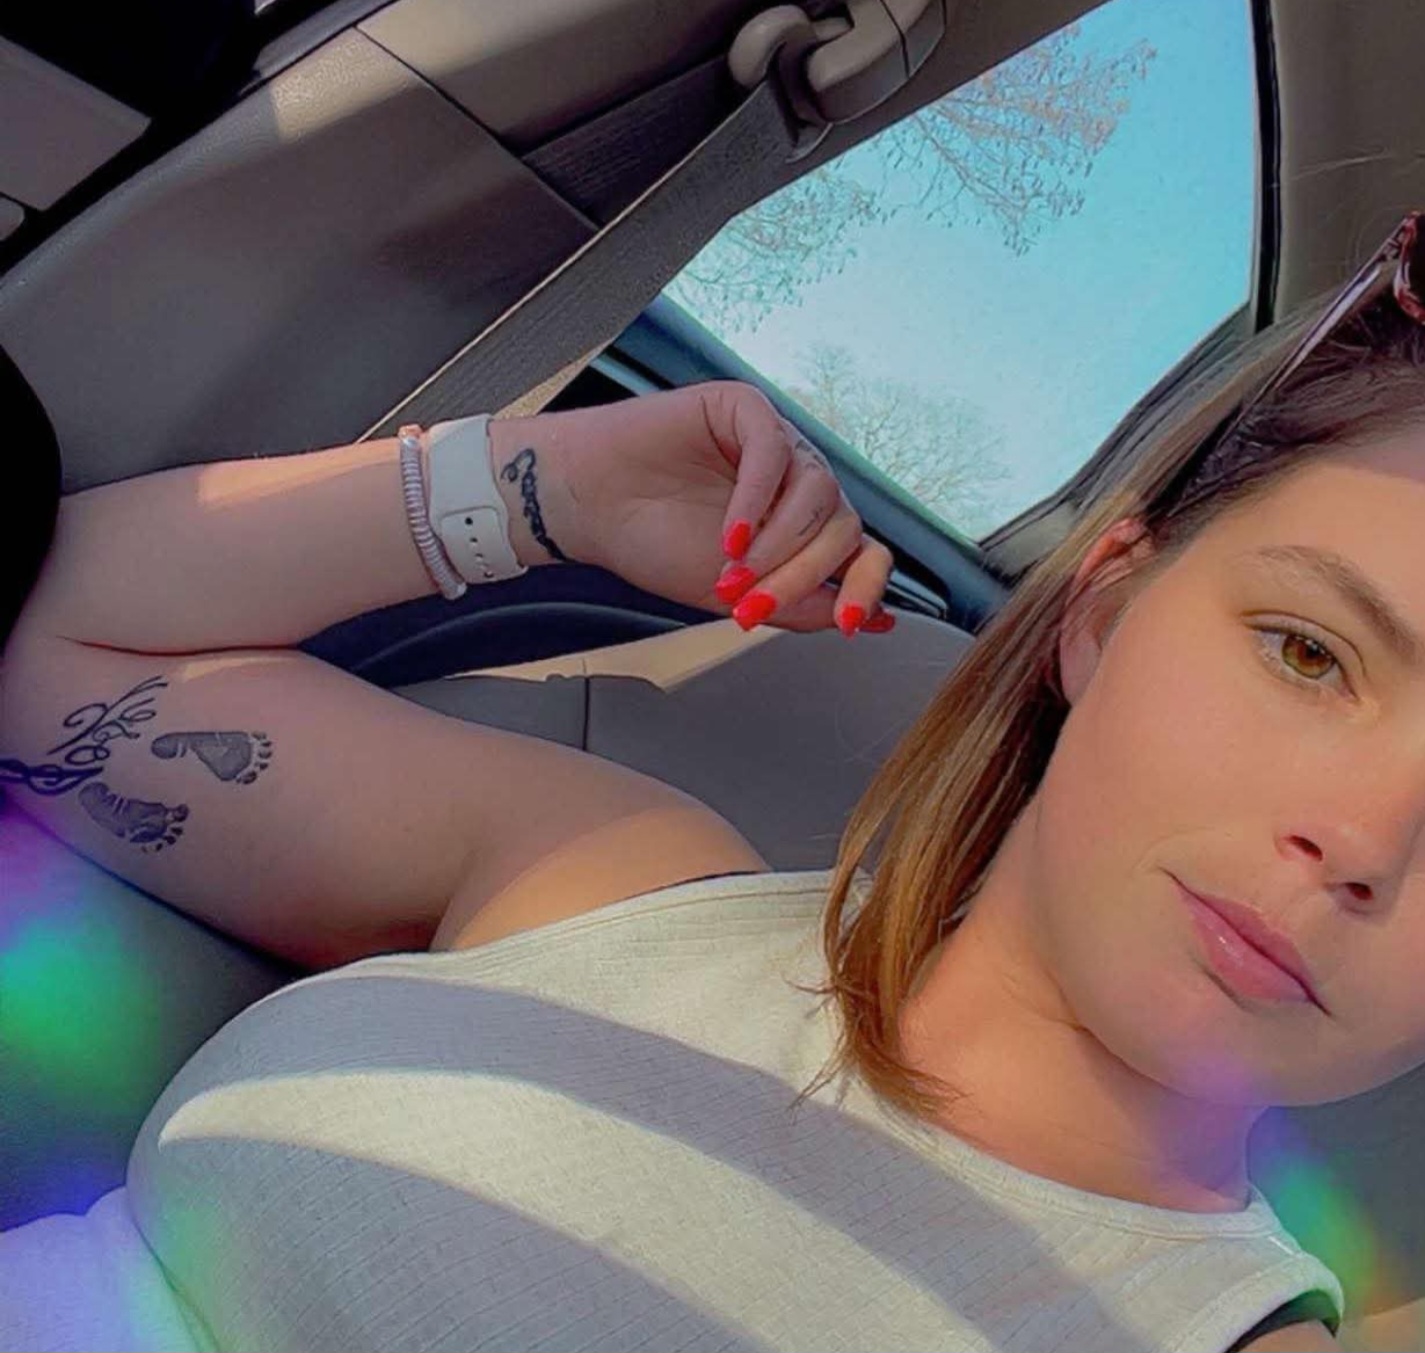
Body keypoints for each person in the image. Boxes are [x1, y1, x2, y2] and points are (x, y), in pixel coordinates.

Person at [11, 216, 1425, 1353]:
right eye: (1308, 653)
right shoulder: (606, 876)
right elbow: (55, 655)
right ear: (1104, 615)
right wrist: (541, 491)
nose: (1363, 838)